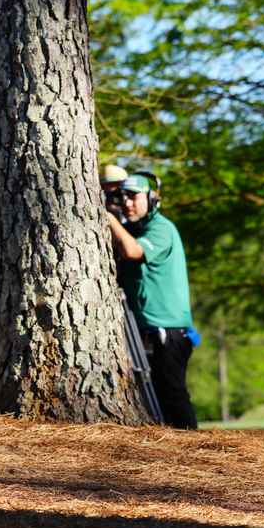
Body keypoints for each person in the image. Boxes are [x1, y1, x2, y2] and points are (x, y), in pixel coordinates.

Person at [106, 171, 198, 429]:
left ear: (152, 198)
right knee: (152, 397)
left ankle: (193, 450)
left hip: (168, 330)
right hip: (146, 328)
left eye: (134, 196)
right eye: (123, 197)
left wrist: (111, 221)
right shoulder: (135, 228)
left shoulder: (161, 228)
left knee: (172, 393)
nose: (127, 203)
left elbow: (133, 251)